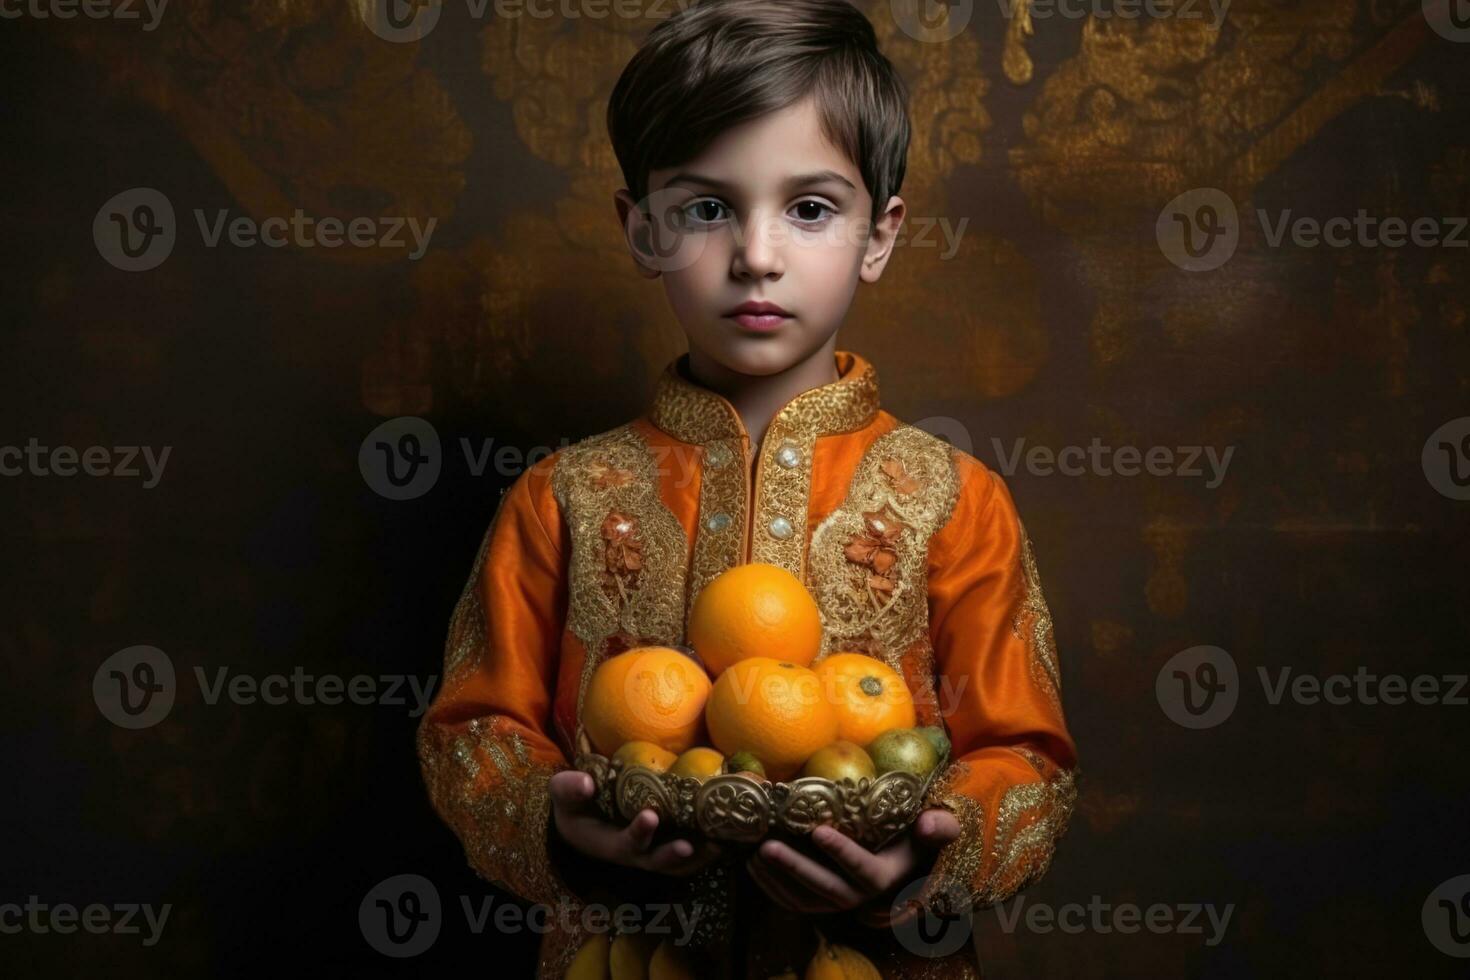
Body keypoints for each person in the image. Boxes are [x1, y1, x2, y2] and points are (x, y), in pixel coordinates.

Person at [416, 1, 1078, 975]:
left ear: (881, 233)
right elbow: (474, 731)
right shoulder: (565, 495)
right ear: (640, 230)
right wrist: (558, 830)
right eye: (706, 207)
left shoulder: (952, 497)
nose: (756, 254)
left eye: (810, 207)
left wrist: (921, 853)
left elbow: (1030, 760)